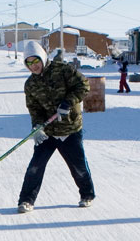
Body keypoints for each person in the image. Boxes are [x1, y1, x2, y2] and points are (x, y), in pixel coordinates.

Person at [16, 40, 95, 213]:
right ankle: (26, 200)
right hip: (48, 132)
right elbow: (34, 108)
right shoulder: (30, 84)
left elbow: (84, 85)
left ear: (42, 57)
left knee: (78, 166)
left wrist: (68, 103)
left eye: (35, 61)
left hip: (70, 129)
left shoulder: (63, 70)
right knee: (35, 167)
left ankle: (87, 195)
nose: (33, 66)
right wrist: (37, 127)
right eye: (29, 63)